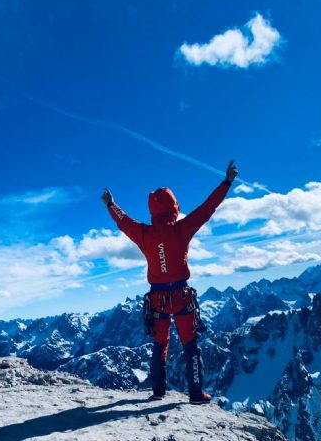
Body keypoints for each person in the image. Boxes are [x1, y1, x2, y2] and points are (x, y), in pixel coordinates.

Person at [102, 160, 238, 404]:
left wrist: (112, 205)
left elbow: (124, 221)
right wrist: (226, 182)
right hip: (182, 297)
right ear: (174, 207)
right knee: (190, 346)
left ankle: (158, 391)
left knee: (159, 345)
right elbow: (207, 208)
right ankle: (195, 394)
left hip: (157, 300)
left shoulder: (144, 234)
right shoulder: (182, 229)